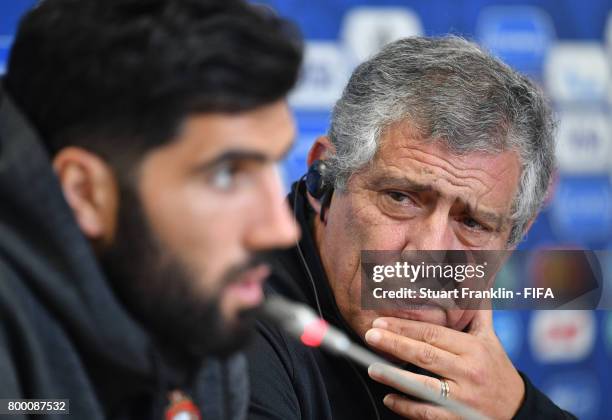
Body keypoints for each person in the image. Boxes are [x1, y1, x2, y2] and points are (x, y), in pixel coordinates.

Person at [0, 0, 302, 419]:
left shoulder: (189, 302)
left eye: (274, 166)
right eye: (226, 175)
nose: (281, 230)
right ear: (85, 192)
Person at [246, 36, 575, 419]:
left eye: (472, 223)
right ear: (326, 178)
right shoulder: (231, 324)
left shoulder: (490, 392)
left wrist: (518, 410)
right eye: (401, 198)